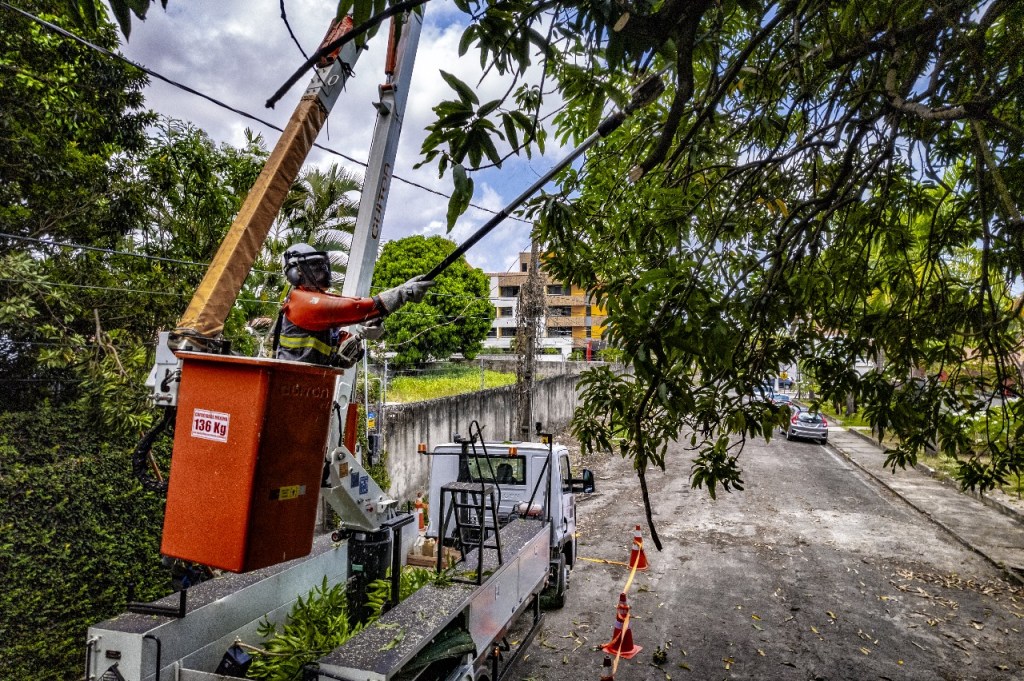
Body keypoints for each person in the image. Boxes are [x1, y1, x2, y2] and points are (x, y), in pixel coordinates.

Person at [274, 243, 433, 366]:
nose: (321, 272)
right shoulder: (300, 302)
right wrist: (402, 293)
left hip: (312, 387)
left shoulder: (319, 303)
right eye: (314, 267)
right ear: (294, 274)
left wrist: (352, 345)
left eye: (320, 266)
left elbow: (329, 347)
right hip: (292, 385)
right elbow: (353, 308)